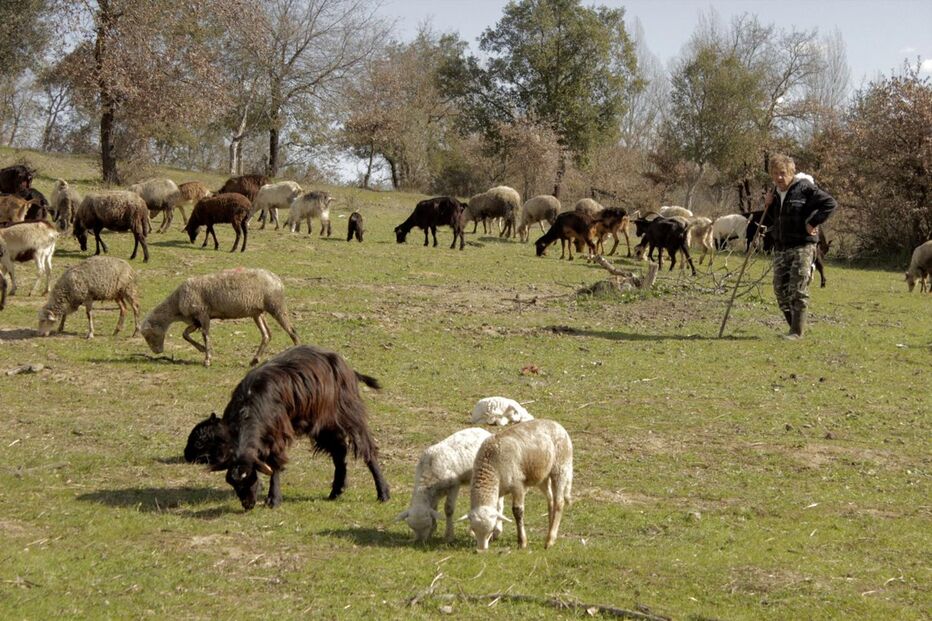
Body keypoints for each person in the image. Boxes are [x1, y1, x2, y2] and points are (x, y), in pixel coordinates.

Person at [761, 154, 836, 339]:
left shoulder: (804, 188)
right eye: (775, 174)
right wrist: (768, 205)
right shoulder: (775, 192)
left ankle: (797, 332)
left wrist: (813, 222)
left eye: (783, 173)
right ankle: (793, 326)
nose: (779, 177)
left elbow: (830, 204)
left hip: (803, 245)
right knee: (780, 289)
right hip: (781, 246)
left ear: (791, 172)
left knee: (798, 288)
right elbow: (774, 218)